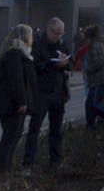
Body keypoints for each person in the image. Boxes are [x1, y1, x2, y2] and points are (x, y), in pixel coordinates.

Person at [23, 17, 70, 171]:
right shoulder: (37, 44)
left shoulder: (62, 44)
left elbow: (70, 60)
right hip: (42, 92)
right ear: (49, 29)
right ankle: (28, 163)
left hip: (58, 92)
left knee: (56, 130)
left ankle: (55, 161)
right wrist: (51, 64)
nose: (58, 36)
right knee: (34, 129)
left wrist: (65, 63)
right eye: (56, 33)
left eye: (61, 33)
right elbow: (34, 66)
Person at [0, 24, 38, 175]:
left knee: (12, 136)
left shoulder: (10, 53)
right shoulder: (14, 54)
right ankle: (4, 172)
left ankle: (6, 171)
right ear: (25, 37)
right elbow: (16, 80)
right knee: (10, 138)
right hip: (12, 104)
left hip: (8, 103)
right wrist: (22, 101)